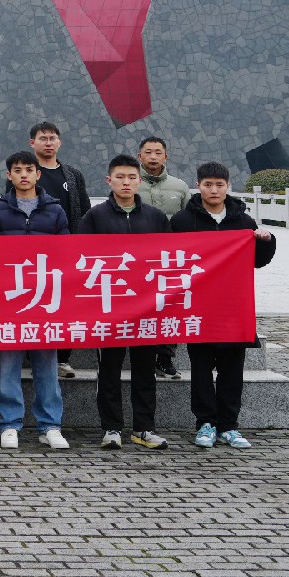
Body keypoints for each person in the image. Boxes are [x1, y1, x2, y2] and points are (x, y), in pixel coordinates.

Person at [170, 161, 278, 449]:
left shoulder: (243, 222)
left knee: (232, 371)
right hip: (198, 307)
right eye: (208, 185)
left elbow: (258, 261)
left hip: (233, 308)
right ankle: (205, 423)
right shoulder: (182, 221)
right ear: (198, 186)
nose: (214, 190)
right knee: (201, 370)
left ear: (228, 186)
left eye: (219, 185)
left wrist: (266, 241)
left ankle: (229, 425)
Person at [77, 154, 172, 451]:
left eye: (131, 177)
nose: (126, 182)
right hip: (109, 307)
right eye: (120, 177)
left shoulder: (156, 217)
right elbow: (80, 258)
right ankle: (112, 428)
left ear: (139, 181)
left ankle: (144, 428)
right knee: (109, 370)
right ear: (109, 181)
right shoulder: (95, 216)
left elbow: (169, 257)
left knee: (145, 369)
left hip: (146, 308)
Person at [0, 151, 71, 450]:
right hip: (9, 298)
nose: (23, 175)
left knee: (47, 364)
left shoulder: (55, 211)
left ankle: (50, 425)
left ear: (38, 174)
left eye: (28, 170)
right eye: (17, 170)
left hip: (45, 298)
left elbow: (65, 253)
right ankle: (9, 424)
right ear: (9, 175)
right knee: (8, 363)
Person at [30, 120, 90, 379]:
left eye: (52, 138)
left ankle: (63, 359)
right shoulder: (26, 171)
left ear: (60, 142)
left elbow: (85, 211)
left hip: (68, 251)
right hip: (35, 253)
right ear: (32, 143)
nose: (48, 142)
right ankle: (38, 355)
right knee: (37, 303)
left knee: (66, 306)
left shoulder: (73, 175)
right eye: (43, 138)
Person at [137, 135, 191, 380]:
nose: (153, 157)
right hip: (138, 259)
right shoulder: (130, 183)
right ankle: (142, 355)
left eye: (158, 152)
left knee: (170, 307)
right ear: (140, 156)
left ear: (166, 156)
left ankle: (165, 358)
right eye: (148, 152)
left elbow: (190, 220)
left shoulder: (180, 187)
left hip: (171, 260)